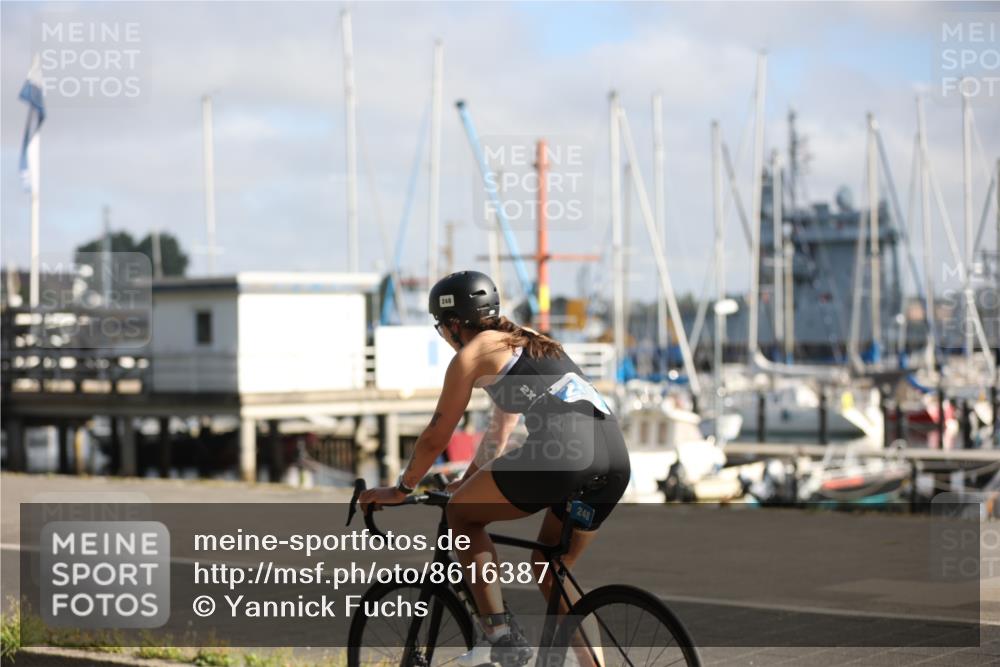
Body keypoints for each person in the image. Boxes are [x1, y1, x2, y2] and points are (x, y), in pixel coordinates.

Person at [359, 270, 630, 667]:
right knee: (549, 567)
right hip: (613, 455)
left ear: (453, 325)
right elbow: (498, 435)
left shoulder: (470, 356)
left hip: (563, 454)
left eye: (440, 327)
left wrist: (401, 488)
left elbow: (436, 434)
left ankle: (500, 635)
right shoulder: (528, 341)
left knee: (460, 517)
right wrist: (465, 483)